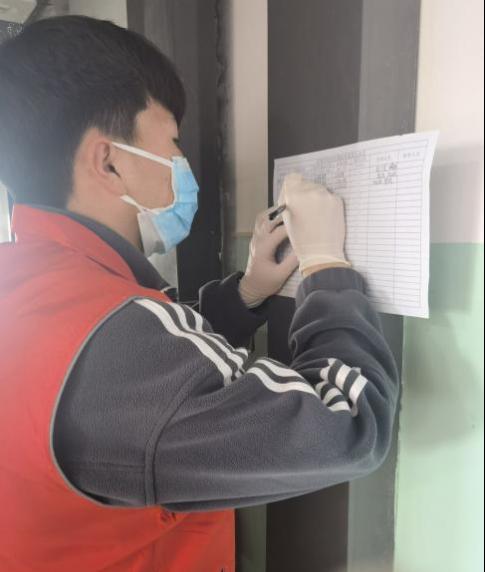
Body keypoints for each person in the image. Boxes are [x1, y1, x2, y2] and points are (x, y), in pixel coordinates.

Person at [0, 16, 399, 572]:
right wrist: (327, 267)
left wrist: (248, 293)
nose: (182, 164)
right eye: (172, 142)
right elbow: (351, 425)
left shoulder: (31, 284)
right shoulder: (118, 346)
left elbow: (151, 366)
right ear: (108, 161)